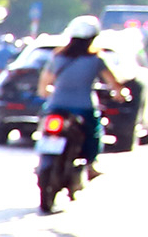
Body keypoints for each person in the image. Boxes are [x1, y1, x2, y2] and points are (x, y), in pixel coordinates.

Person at [37, 15, 131, 180]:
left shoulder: (58, 56)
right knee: (94, 133)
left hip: (56, 104)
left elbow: (44, 87)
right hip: (84, 107)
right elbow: (114, 83)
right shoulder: (97, 59)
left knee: (45, 128)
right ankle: (91, 164)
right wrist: (121, 94)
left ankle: (41, 162)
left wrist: (50, 93)